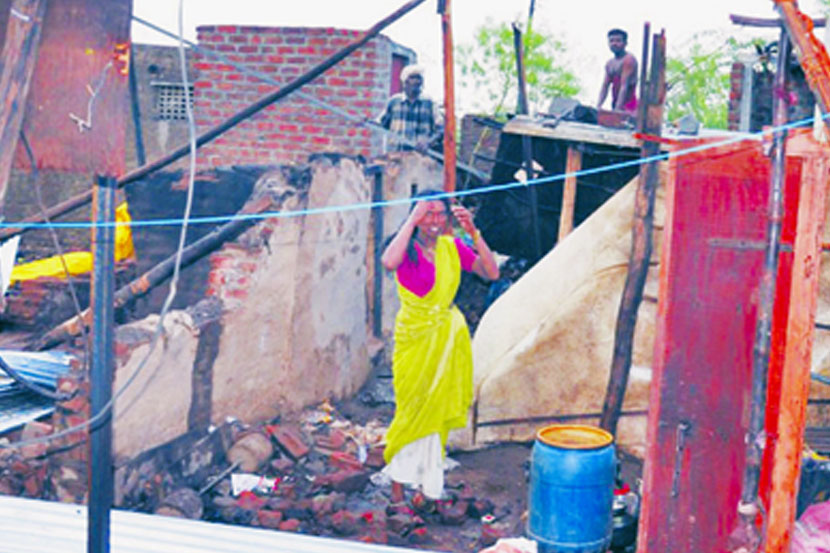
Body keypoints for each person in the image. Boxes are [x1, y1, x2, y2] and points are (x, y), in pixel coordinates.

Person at [380, 190, 499, 504]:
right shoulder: (405, 247)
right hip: (414, 340)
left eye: (439, 214)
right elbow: (389, 262)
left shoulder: (452, 247)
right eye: (427, 214)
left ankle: (425, 489)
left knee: (436, 413)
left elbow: (491, 272)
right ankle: (397, 490)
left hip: (447, 340)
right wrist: (411, 221)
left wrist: (473, 232)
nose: (433, 221)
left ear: (448, 218)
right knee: (410, 411)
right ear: (416, 216)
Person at [377, 65, 443, 152]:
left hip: (420, 156)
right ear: (405, 82)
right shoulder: (394, 101)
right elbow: (380, 124)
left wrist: (428, 142)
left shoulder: (429, 103)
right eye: (412, 78)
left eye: (419, 78)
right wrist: (367, 122)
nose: (416, 81)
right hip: (397, 155)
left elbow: (441, 129)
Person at [597, 28, 638, 113]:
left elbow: (624, 86)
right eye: (611, 41)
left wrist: (617, 109)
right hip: (615, 104)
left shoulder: (628, 60)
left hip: (629, 107)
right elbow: (605, 86)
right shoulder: (610, 64)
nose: (614, 44)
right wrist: (598, 106)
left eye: (618, 41)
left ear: (625, 43)